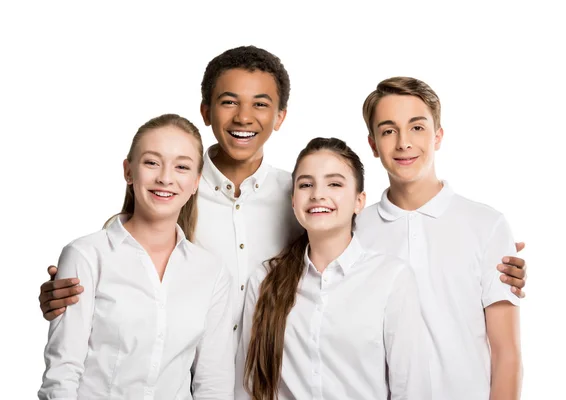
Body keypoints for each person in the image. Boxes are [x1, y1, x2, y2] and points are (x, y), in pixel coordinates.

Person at [37, 46, 527, 346]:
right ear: (206, 110)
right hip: (176, 376)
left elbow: (366, 264)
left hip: (272, 378)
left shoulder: (300, 197)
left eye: (261, 104)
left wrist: (485, 259)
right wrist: (69, 291)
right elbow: (117, 266)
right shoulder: (174, 186)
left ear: (281, 117)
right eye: (229, 102)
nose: (244, 117)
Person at [38, 114, 234, 399]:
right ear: (129, 171)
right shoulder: (86, 256)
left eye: (181, 167)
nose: (165, 178)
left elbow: (213, 382)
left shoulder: (211, 272)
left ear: (195, 182)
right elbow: (62, 374)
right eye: (152, 162)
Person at [357, 77, 523, 399]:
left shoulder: (487, 226)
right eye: (389, 130)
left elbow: (507, 356)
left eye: (417, 127)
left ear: (438, 136)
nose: (404, 142)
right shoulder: (355, 231)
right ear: (373, 144)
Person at [240, 137, 430, 399]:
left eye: (334, 184)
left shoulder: (391, 278)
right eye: (306, 184)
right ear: (294, 201)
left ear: (359, 201)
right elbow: (247, 385)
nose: (318, 194)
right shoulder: (264, 280)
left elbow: (412, 389)